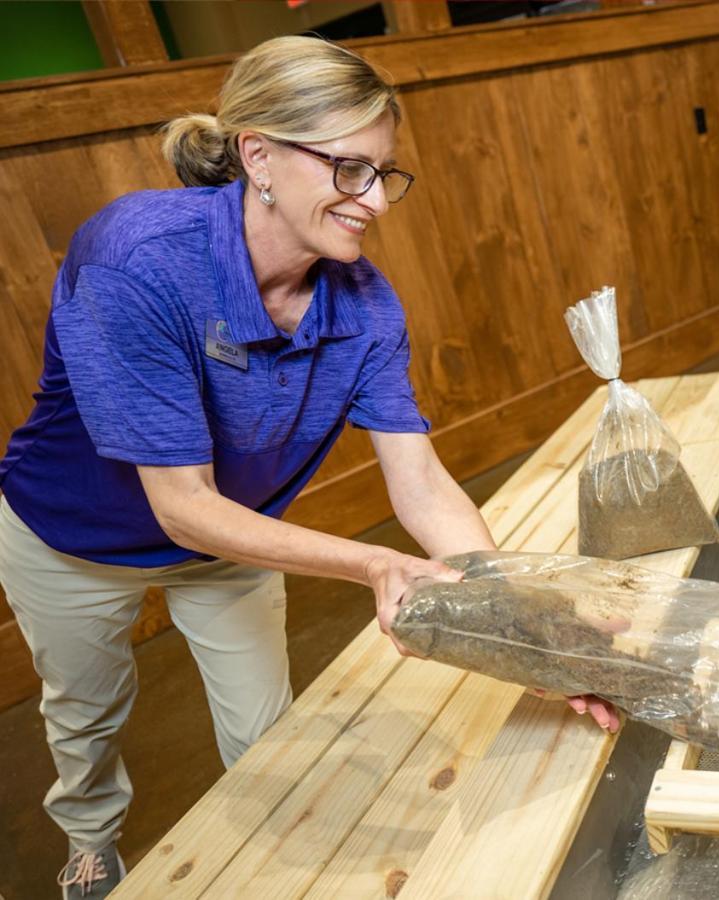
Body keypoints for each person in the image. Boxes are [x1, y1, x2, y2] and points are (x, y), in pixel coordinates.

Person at [0, 35, 550, 899]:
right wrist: (372, 561)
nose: (373, 200)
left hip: (234, 540)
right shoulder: (136, 260)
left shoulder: (364, 303)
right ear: (257, 154)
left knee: (271, 735)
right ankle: (91, 840)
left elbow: (423, 483)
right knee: (85, 713)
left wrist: (516, 617)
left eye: (384, 172)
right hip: (72, 537)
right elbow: (181, 505)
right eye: (347, 170)